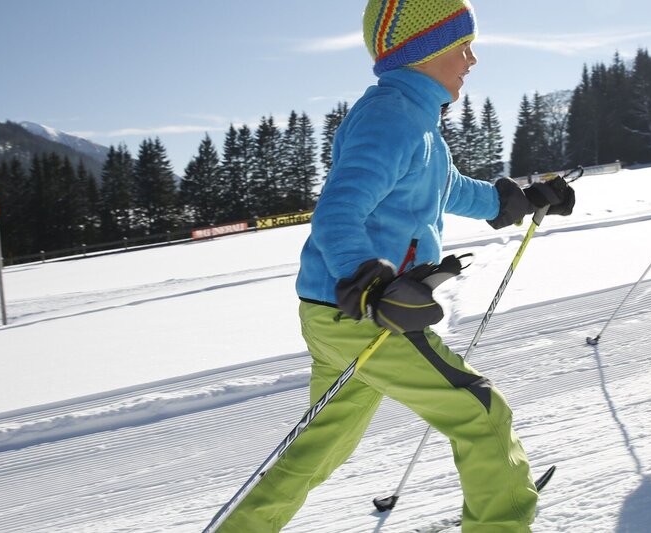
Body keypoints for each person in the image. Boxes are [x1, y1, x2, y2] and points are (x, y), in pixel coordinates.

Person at [219, 1, 575, 531]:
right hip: (365, 314)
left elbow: (446, 187)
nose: (472, 60)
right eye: (462, 46)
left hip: (334, 314)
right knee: (481, 414)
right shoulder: (392, 118)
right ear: (425, 50)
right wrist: (370, 283)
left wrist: (516, 200)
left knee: (319, 449)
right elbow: (338, 210)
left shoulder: (415, 119)